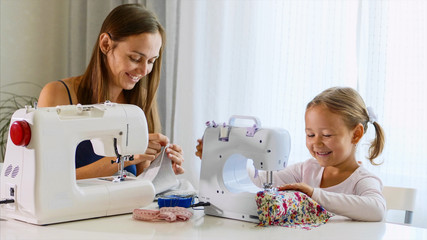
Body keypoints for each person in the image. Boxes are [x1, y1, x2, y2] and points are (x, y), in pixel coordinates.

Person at [38, 4, 184, 179]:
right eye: (135, 58)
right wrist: (126, 157)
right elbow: (48, 178)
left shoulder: (139, 102)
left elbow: (139, 177)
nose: (144, 71)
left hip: (122, 206)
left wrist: (162, 169)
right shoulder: (58, 94)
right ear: (106, 44)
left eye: (151, 61)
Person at [195, 87, 386, 221]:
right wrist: (218, 157)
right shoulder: (306, 170)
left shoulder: (362, 180)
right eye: (310, 134)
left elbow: (376, 210)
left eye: (327, 135)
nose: (316, 143)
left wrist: (313, 194)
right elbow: (259, 182)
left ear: (357, 134)